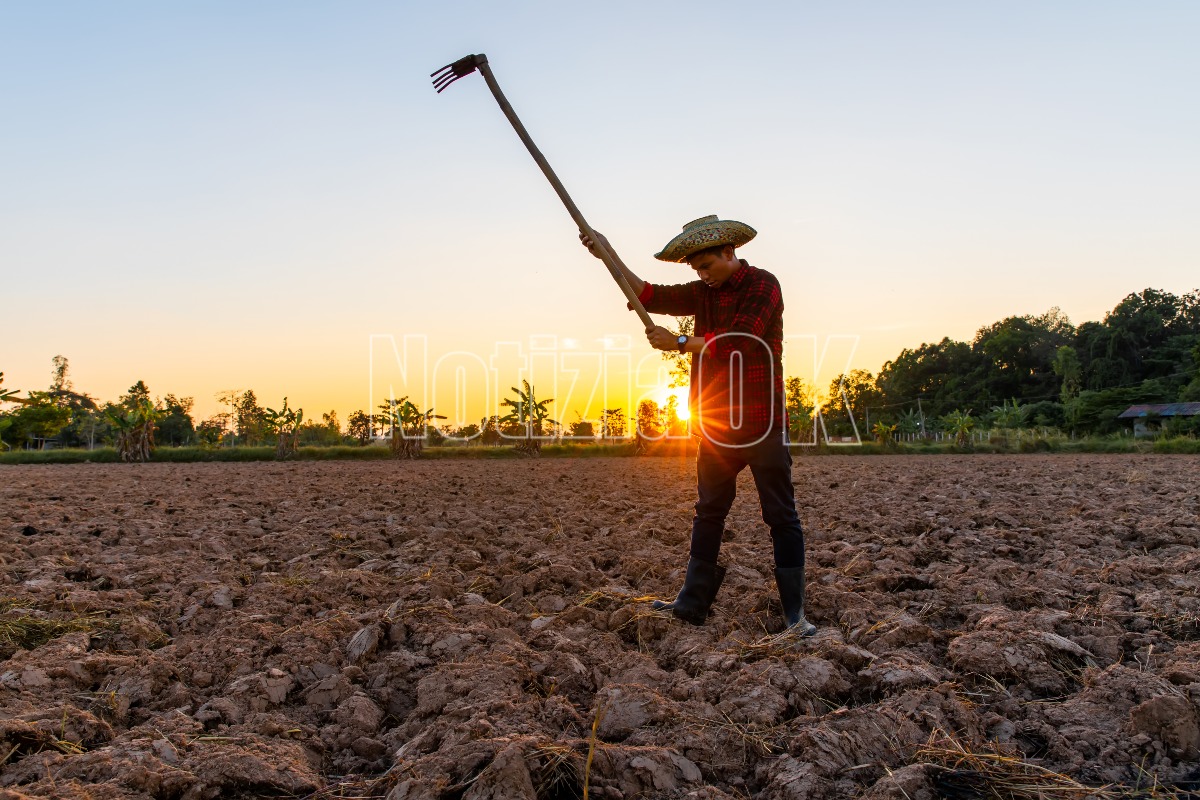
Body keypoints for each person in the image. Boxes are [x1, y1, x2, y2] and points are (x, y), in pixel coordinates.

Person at [581, 215, 816, 636]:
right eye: (696, 269)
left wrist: (679, 343)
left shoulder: (763, 284)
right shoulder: (702, 292)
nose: (702, 275)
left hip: (761, 421)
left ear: (729, 252)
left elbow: (742, 340)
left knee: (780, 515)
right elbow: (649, 294)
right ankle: (692, 603)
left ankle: (794, 614)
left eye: (707, 266)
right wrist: (608, 254)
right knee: (708, 512)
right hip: (716, 425)